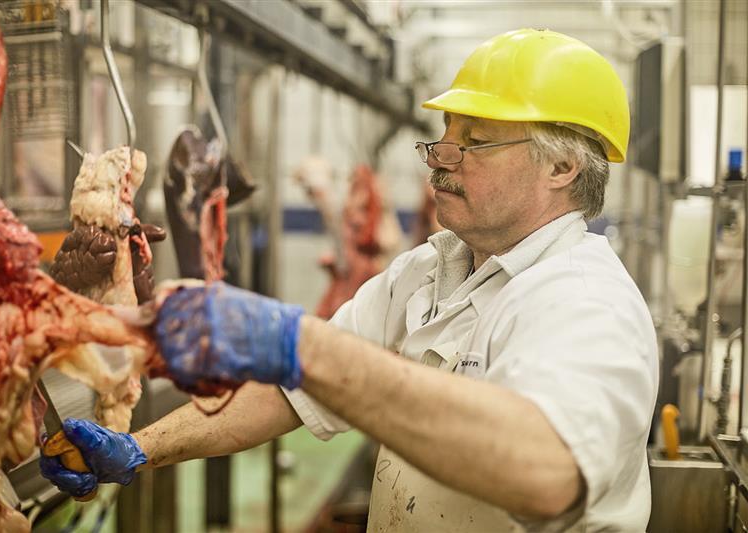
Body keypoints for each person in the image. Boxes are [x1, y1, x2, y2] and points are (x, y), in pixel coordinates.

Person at [40, 29, 658, 531]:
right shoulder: (428, 269)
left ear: (560, 166)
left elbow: (547, 473)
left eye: (475, 142)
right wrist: (143, 447)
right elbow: (291, 393)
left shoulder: (584, 301)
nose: (440, 158)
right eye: (443, 136)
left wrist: (301, 344)